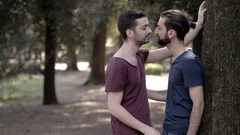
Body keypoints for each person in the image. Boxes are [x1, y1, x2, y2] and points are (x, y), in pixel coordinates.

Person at [105, 1, 206, 134]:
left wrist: (197, 26)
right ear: (129, 33)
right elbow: (113, 107)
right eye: (144, 27)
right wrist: (146, 129)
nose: (150, 30)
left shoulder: (139, 56)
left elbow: (174, 47)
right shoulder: (117, 65)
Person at [148, 1, 207, 135]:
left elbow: (198, 104)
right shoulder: (179, 59)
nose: (155, 31)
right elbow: (175, 95)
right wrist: (139, 90)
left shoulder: (188, 62)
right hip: (169, 129)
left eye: (159, 28)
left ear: (171, 33)